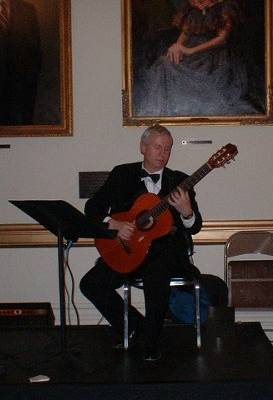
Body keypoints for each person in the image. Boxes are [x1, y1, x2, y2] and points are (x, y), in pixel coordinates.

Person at [80, 124, 203, 361]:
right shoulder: (121, 174)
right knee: (90, 284)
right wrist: (114, 224)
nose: (163, 154)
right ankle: (137, 327)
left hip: (167, 255)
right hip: (128, 251)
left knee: (157, 267)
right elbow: (92, 208)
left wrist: (187, 212)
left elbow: (195, 226)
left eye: (168, 149)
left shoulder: (180, 181)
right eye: (158, 147)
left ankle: (152, 342)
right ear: (143, 147)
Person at [133, 0, 262, 117]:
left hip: (213, 56)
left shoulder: (224, 7)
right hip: (191, 50)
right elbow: (186, 32)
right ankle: (159, 112)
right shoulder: (192, 6)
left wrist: (190, 51)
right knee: (164, 63)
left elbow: (222, 39)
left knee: (178, 69)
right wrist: (177, 45)